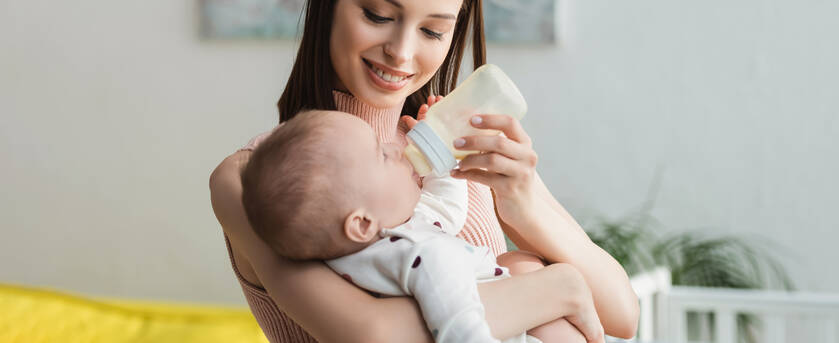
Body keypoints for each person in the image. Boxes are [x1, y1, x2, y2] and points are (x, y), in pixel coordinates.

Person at [208, 0, 640, 342]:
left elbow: (622, 314)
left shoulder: (461, 142)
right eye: (377, 15)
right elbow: (374, 335)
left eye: (433, 30)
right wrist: (554, 289)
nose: (402, 51)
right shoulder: (256, 181)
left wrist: (521, 203)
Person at [240, 109, 600, 343]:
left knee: (518, 264)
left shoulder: (378, 245)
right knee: (529, 275)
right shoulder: (424, 253)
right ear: (361, 222)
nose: (395, 150)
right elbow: (459, 325)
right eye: (382, 155)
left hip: (505, 316)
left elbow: (445, 208)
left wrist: (443, 156)